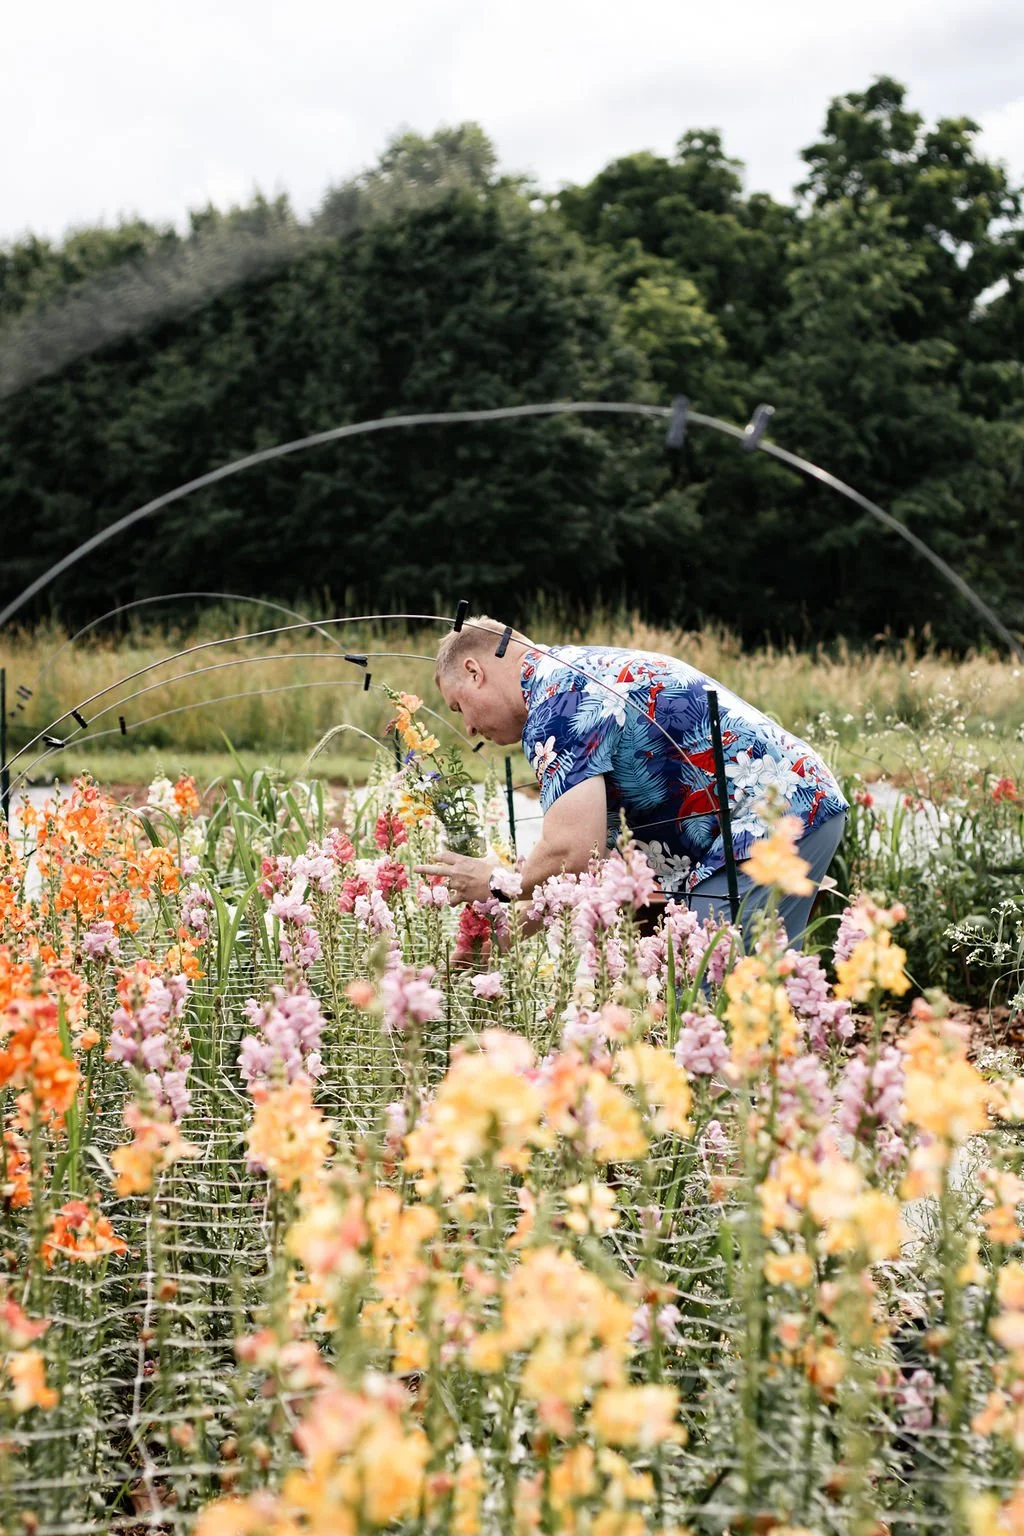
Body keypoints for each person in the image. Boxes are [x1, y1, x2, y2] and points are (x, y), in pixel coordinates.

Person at [418, 617, 848, 947]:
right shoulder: (562, 678)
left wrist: (495, 882)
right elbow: (590, 863)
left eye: (459, 708)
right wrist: (500, 934)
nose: (469, 729)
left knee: (714, 994)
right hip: (789, 807)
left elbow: (573, 851)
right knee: (721, 994)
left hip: (770, 819)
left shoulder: (558, 702)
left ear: (475, 671)